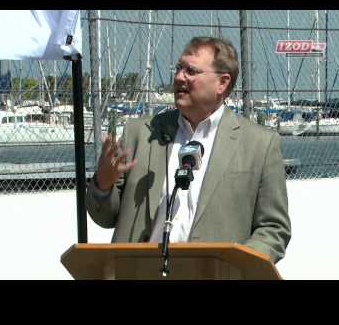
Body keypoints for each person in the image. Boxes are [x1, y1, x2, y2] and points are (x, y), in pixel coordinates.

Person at [86, 36, 291, 263]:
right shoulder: (141, 134)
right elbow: (105, 217)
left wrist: (239, 265)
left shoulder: (259, 145)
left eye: (191, 71)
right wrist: (103, 185)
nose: (179, 77)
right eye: (178, 68)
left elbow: (274, 229)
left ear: (222, 83)